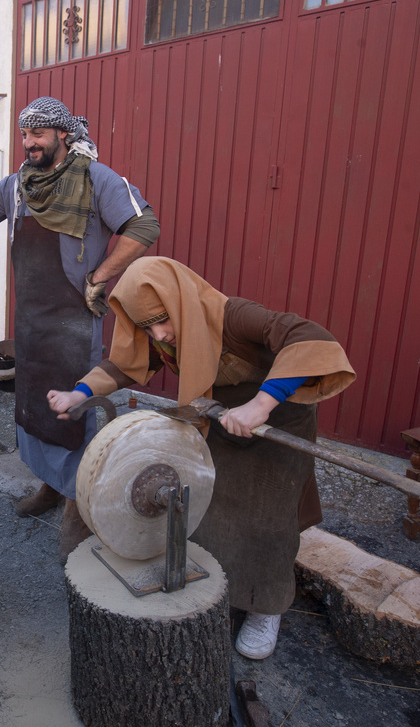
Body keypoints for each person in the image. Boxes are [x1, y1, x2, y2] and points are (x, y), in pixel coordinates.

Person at [47, 257, 355, 659]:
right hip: (216, 414)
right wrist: (80, 393)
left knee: (266, 516)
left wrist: (261, 405)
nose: (159, 333)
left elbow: (309, 338)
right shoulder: (162, 334)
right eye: (147, 326)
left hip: (275, 416)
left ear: (180, 301)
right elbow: (125, 364)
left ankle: (265, 606)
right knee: (207, 501)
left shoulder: (236, 316)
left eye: (162, 319)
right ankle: (224, 584)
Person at [0, 96, 160, 559]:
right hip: (33, 322)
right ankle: (50, 486)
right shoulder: (21, 185)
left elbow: (144, 226)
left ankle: (76, 506)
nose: (29, 143)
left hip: (75, 326)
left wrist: (101, 277)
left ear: (63, 134)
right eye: (24, 135)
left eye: (38, 134)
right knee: (35, 409)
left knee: (72, 414)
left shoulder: (96, 179)